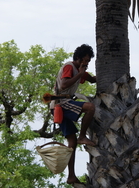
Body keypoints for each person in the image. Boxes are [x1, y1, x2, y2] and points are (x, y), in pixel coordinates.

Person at [50, 44, 96, 185]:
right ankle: (82, 136)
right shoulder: (70, 67)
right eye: (85, 60)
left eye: (89, 61)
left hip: (60, 105)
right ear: (78, 58)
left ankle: (71, 176)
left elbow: (93, 80)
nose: (87, 63)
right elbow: (63, 85)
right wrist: (80, 74)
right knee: (89, 107)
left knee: (72, 142)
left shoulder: (80, 71)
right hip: (60, 103)